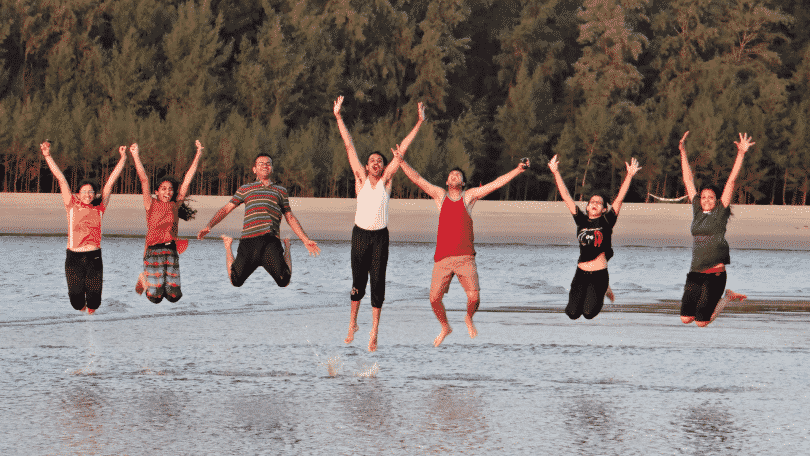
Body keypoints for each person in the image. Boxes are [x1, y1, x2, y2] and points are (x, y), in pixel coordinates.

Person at [394, 149, 529, 346]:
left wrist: (518, 170)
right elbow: (418, 179)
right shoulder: (440, 196)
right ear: (447, 183)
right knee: (434, 299)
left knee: (474, 297)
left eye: (458, 175)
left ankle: (468, 318)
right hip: (443, 259)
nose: (454, 175)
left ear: (463, 183)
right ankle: (445, 327)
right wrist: (401, 162)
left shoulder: (469, 197)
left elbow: (495, 184)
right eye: (451, 175)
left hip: (466, 258)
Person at [333, 96, 426, 352]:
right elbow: (349, 146)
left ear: (384, 166)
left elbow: (402, 151)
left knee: (378, 284)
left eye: (380, 161)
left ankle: (374, 331)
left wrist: (418, 122)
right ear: (366, 165)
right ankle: (352, 323)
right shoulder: (360, 180)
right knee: (357, 282)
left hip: (380, 238)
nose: (376, 163)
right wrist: (339, 116)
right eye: (373, 160)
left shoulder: (386, 181)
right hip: (360, 236)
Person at [196, 153, 320, 288]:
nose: (265, 165)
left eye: (268, 163)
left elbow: (289, 217)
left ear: (271, 168)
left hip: (270, 241)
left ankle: (287, 247)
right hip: (249, 240)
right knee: (235, 281)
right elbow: (226, 209)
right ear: (254, 169)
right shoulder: (245, 189)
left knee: (284, 281)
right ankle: (228, 245)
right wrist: (209, 226)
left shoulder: (280, 191)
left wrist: (305, 240)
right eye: (261, 163)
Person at [548, 154, 641, 320]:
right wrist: (555, 172)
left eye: (599, 202)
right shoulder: (581, 220)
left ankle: (604, 287)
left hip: (599, 275)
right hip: (580, 273)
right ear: (588, 206)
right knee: (572, 313)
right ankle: (603, 289)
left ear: (604, 209)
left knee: (589, 313)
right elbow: (566, 197)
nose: (595, 203)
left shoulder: (607, 221)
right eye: (592, 201)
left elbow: (619, 199)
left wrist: (629, 175)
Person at [40, 140, 127, 314]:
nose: (87, 194)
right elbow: (61, 179)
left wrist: (123, 158)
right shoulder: (71, 204)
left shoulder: (100, 206)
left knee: (95, 302)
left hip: (94, 256)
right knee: (75, 300)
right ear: (78, 193)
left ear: (95, 194)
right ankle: (82, 316)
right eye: (84, 191)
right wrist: (47, 155)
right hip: (73, 257)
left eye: (91, 192)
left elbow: (110, 183)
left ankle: (92, 319)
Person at [678, 131, 751, 327]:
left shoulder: (720, 212)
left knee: (702, 322)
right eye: (703, 197)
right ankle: (722, 298)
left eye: (711, 197)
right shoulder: (697, 211)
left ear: (717, 200)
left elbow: (731, 182)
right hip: (695, 272)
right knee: (686, 319)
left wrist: (741, 154)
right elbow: (688, 181)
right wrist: (682, 151)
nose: (706, 200)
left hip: (715, 274)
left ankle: (727, 297)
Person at [131, 141, 204, 303]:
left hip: (171, 250)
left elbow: (186, 180)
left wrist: (198, 153)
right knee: (155, 298)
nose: (167, 191)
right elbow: (143, 180)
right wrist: (135, 155)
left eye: (170, 189)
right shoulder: (151, 204)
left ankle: (151, 279)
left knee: (174, 297)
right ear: (156, 192)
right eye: (163, 189)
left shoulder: (175, 205)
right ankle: (144, 278)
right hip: (153, 250)